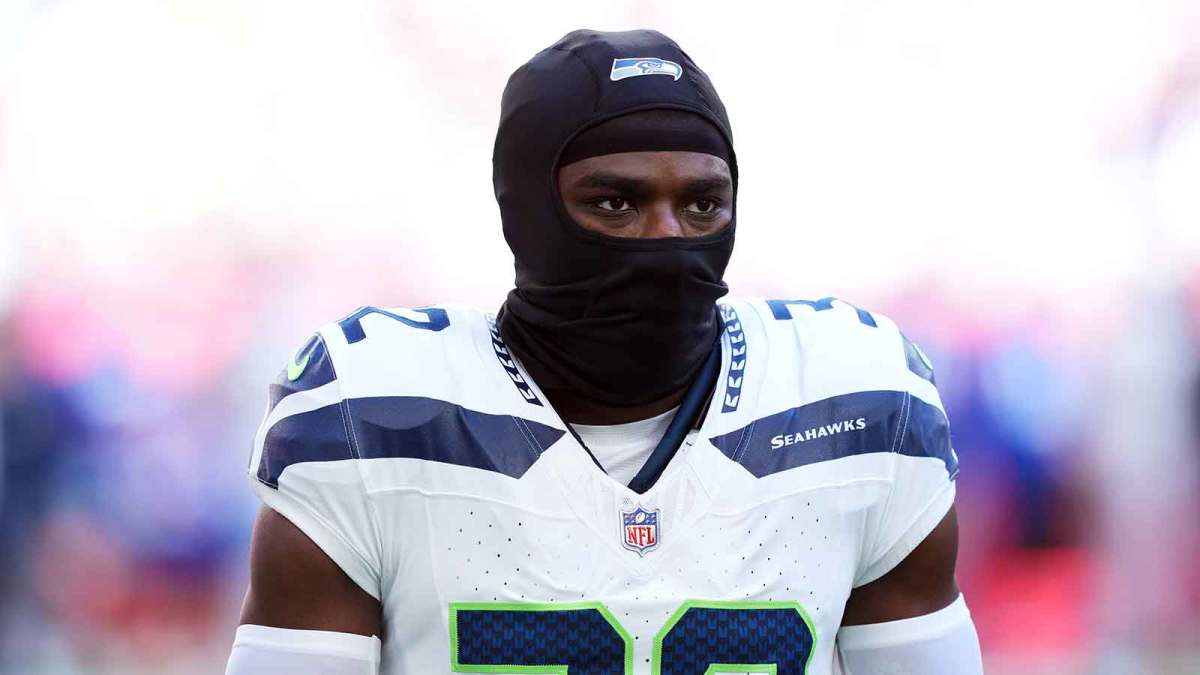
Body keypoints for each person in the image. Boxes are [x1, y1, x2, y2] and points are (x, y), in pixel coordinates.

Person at [226, 29, 983, 675]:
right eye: (614, 203)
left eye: (700, 203)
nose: (667, 238)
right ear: (526, 209)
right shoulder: (379, 416)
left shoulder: (852, 400)